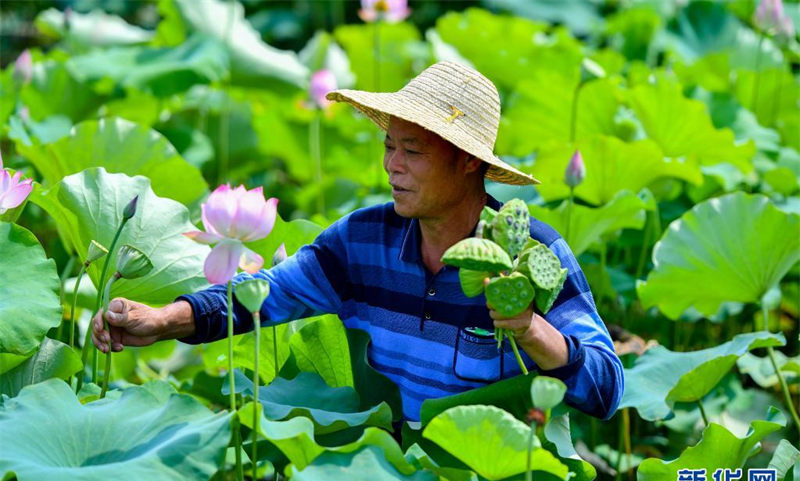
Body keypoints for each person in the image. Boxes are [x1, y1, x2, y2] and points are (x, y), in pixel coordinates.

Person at [92, 61, 623, 422]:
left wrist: (530, 328)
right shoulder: (362, 241)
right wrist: (163, 320)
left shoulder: (533, 253)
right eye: (389, 146)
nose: (392, 166)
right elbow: (264, 294)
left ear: (468, 162)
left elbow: (607, 389)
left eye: (412, 151)